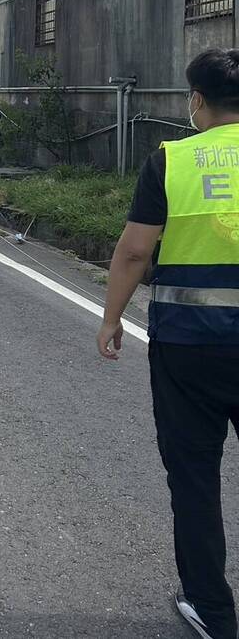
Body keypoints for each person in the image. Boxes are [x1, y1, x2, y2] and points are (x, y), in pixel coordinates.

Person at [97, 48, 239, 639]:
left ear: (198, 102)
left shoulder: (173, 160)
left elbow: (134, 251)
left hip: (190, 348)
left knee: (195, 476)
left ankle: (214, 611)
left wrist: (111, 319)